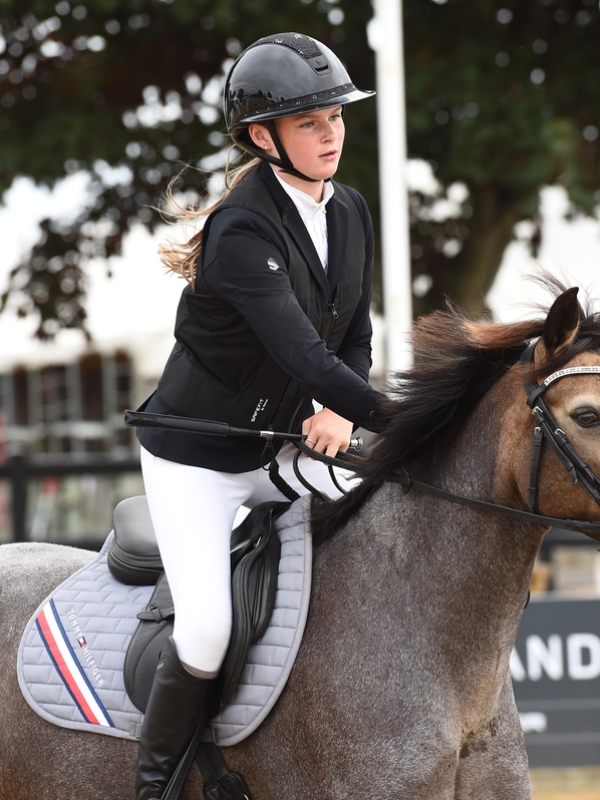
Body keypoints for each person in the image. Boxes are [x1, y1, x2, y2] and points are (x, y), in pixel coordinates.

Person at [134, 32, 387, 800]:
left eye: (336, 115)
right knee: (207, 631)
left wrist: (344, 416)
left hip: (279, 453)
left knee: (390, 543)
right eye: (310, 121)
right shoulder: (243, 229)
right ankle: (155, 787)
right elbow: (308, 358)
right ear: (260, 136)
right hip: (196, 461)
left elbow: (354, 342)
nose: (332, 132)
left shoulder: (349, 210)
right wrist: (409, 422)